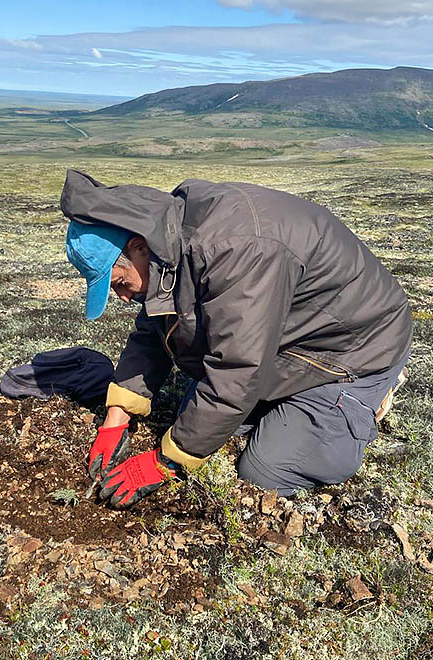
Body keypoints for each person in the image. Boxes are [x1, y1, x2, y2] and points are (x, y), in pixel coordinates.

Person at [61, 169, 412, 508]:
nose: (121, 297)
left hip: (351, 350)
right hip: (286, 341)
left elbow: (236, 369)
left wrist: (162, 463)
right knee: (196, 420)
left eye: (119, 283)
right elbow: (155, 328)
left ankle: (362, 406)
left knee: (264, 468)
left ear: (138, 246)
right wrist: (117, 416)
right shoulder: (167, 241)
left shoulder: (236, 253)